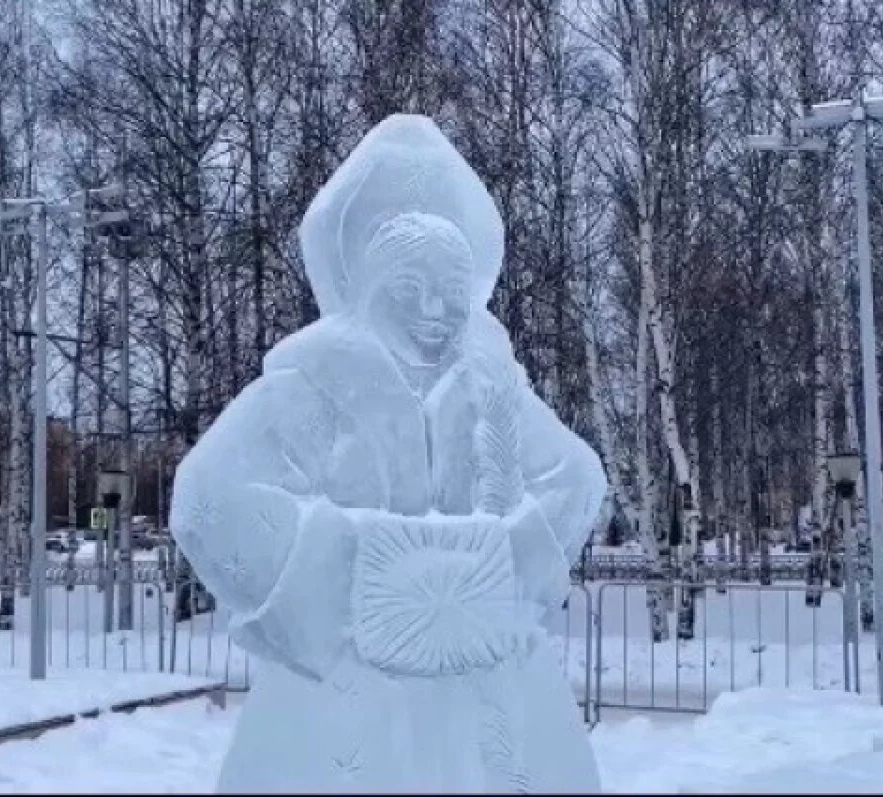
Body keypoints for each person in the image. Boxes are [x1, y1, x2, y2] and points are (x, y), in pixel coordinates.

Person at [170, 114, 607, 792]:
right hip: (349, 688)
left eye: (451, 292)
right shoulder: (314, 382)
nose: (435, 310)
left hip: (482, 683)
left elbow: (577, 476)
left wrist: (507, 559)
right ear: (369, 284)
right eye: (412, 287)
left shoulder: (491, 384)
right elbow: (203, 498)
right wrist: (347, 558)